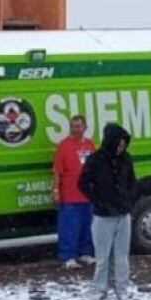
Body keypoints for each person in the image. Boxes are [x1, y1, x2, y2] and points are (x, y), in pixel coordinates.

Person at [78, 122, 137, 300]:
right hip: (103, 215)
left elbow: (132, 182)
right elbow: (83, 183)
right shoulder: (95, 159)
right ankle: (99, 290)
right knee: (102, 257)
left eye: (124, 143)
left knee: (122, 256)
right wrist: (98, 199)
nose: (121, 146)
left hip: (123, 213)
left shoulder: (127, 159)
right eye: (119, 142)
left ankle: (122, 289)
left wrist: (128, 199)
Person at [52, 115, 96, 270]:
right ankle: (68, 257)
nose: (76, 129)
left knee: (88, 226)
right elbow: (57, 171)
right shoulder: (63, 146)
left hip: (88, 196)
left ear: (85, 127)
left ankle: (85, 253)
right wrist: (56, 191)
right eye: (73, 126)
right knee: (69, 228)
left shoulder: (90, 145)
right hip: (70, 195)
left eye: (79, 126)